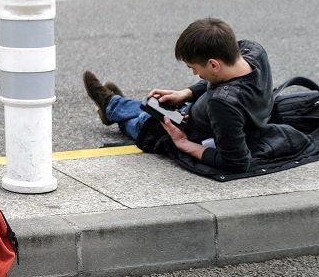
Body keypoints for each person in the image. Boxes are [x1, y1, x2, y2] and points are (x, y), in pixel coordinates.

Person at [81, 18, 274, 175]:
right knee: (155, 106)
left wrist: (184, 144)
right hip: (193, 113)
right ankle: (113, 107)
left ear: (214, 64)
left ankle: (112, 106)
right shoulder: (253, 51)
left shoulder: (222, 103)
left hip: (180, 129)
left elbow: (236, 162)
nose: (194, 74)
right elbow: (222, 80)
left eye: (194, 68)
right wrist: (187, 93)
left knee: (143, 123)